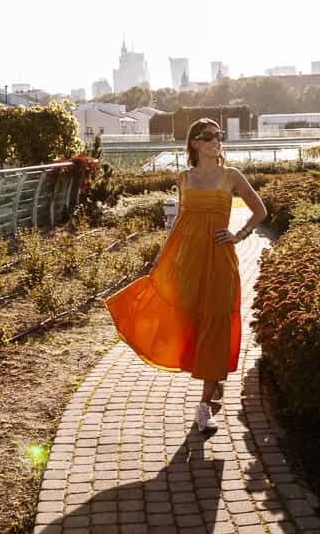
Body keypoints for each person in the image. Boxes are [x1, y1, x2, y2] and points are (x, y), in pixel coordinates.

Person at [104, 118, 267, 432]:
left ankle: (205, 405)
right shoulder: (184, 178)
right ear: (194, 143)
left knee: (216, 326)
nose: (216, 141)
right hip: (189, 262)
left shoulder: (232, 176)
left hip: (221, 260)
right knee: (190, 321)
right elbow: (180, 223)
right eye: (208, 137)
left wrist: (240, 234)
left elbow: (260, 210)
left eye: (218, 136)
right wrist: (163, 261)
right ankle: (213, 385)